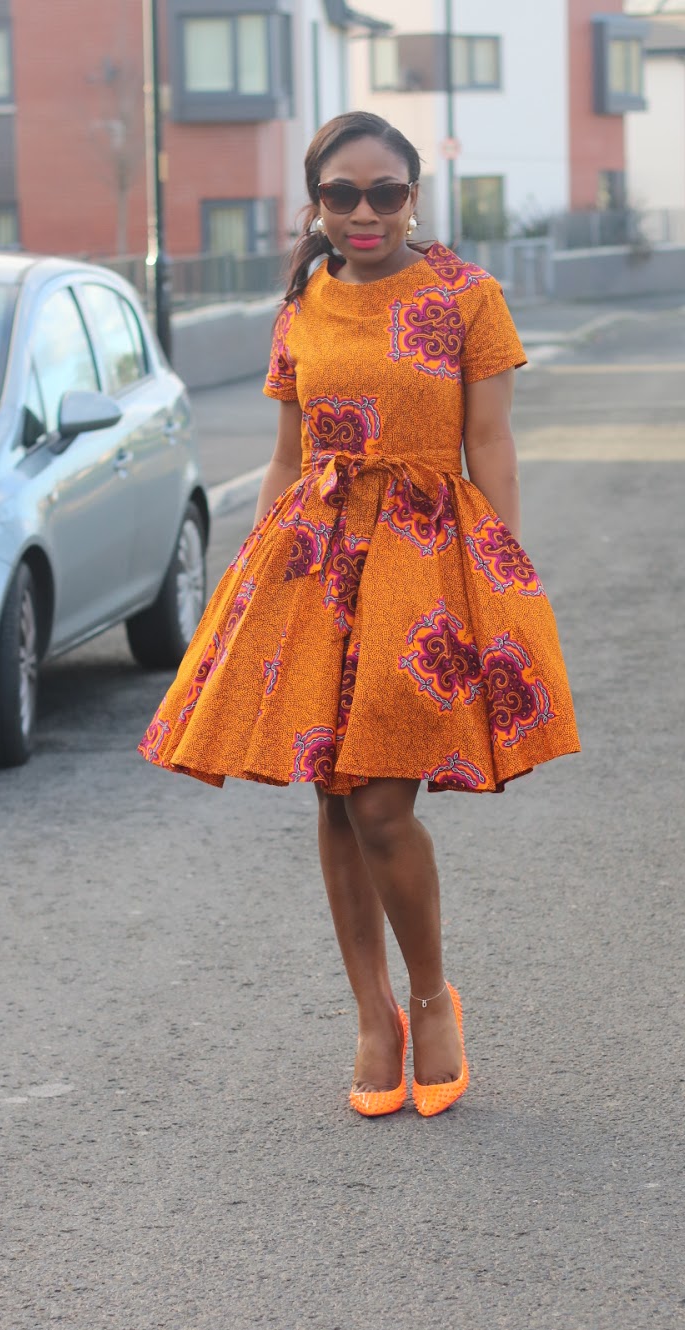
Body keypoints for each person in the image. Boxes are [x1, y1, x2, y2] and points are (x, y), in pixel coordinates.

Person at [139, 112, 579, 1118]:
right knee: (333, 798)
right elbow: (287, 456)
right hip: (317, 559)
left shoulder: (465, 296)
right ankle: (371, 1015)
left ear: (413, 196)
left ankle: (430, 998)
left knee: (380, 804)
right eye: (342, 194)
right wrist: (258, 580)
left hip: (424, 559)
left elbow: (490, 444)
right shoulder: (301, 304)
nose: (364, 212)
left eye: (385, 192)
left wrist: (498, 573)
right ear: (316, 204)